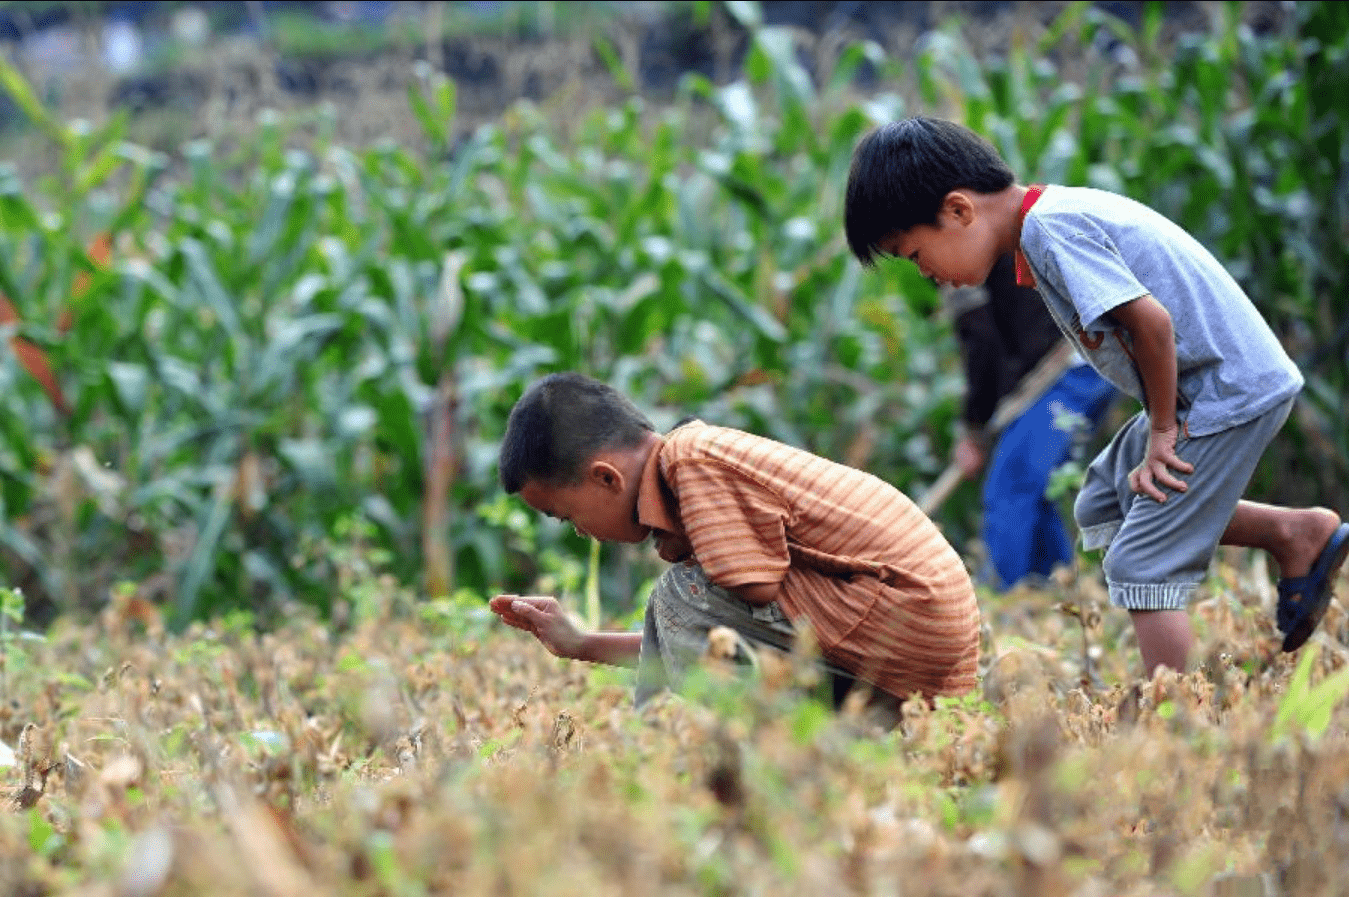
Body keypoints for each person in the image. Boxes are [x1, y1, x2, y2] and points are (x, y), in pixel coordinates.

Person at [843, 116, 1349, 676]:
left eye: (916, 255)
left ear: (959, 211)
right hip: (1206, 385)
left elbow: (1152, 324)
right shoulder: (1040, 227)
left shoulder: (1050, 230)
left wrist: (1161, 432)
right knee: (1103, 499)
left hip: (1225, 389)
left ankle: (1172, 717)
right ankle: (1292, 531)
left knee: (1143, 561)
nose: (928, 274)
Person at [488, 372, 981, 713]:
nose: (579, 531)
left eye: (567, 516)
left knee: (679, 593)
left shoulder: (692, 462)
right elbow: (717, 639)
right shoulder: (693, 466)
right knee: (680, 601)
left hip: (913, 624)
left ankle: (734, 758)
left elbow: (722, 619)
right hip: (913, 639)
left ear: (606, 478)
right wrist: (583, 644)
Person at [942, 253, 1116, 591]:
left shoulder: (949, 251)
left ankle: (997, 607)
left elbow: (981, 345)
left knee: (1010, 488)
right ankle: (1059, 595)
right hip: (1085, 366)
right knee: (1036, 490)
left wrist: (973, 431)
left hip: (1068, 368)